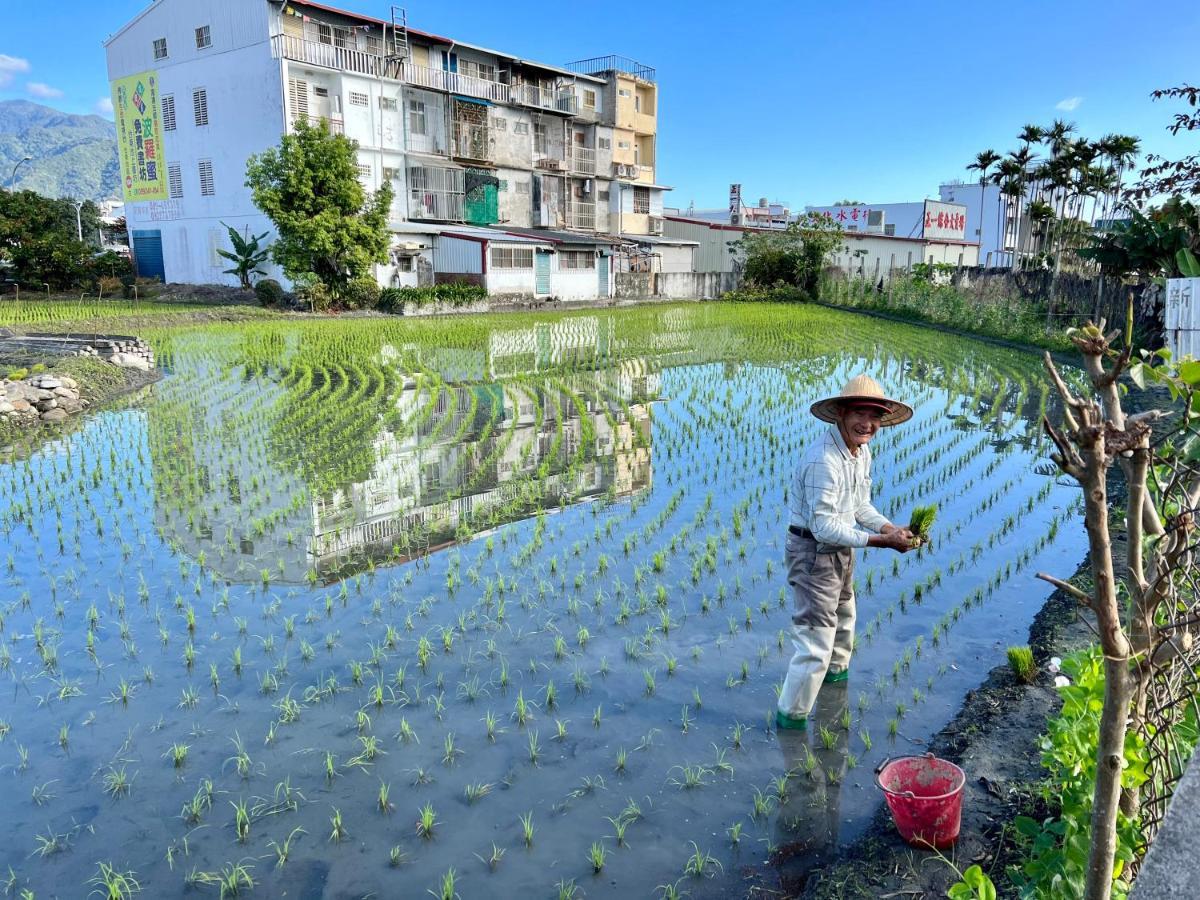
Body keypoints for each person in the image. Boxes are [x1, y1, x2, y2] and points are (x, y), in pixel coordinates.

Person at [776, 374, 914, 731]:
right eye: (859, 413)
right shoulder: (824, 461)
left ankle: (834, 692)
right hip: (813, 552)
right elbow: (822, 526)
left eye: (875, 415)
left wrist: (889, 529)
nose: (867, 423)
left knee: (845, 620)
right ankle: (790, 723)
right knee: (815, 641)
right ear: (840, 413)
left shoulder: (859, 451)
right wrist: (881, 543)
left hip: (841, 547)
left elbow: (860, 505)